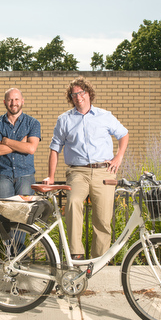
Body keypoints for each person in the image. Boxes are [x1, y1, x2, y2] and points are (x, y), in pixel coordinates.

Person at [43, 77, 129, 259]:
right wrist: (50, 176)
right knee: (73, 203)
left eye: (81, 93)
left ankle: (99, 260)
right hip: (78, 172)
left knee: (103, 219)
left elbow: (123, 134)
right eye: (74, 95)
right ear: (71, 98)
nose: (78, 97)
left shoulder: (105, 116)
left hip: (104, 171)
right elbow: (54, 148)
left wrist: (118, 157)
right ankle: (76, 254)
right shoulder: (64, 120)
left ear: (88, 94)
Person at [0, 88, 41, 198]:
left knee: (24, 211)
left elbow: (31, 149)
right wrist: (21, 144)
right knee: (5, 211)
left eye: (16, 99)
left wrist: (7, 141)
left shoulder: (33, 123)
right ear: (4, 102)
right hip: (4, 175)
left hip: (26, 175)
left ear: (22, 101)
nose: (13, 103)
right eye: (10, 100)